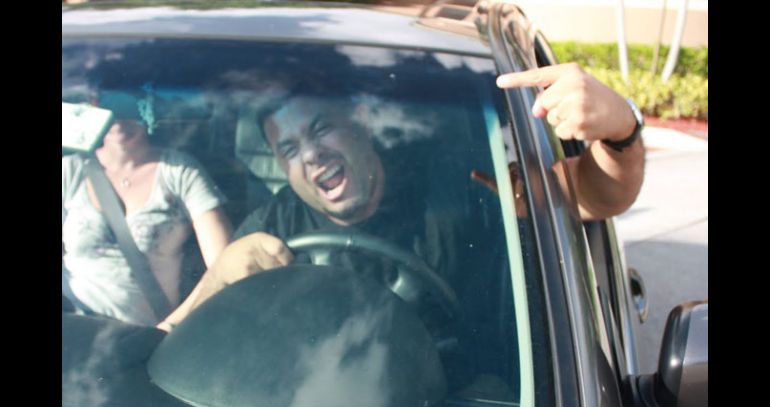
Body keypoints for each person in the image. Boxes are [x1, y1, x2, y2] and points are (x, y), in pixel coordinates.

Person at [157, 64, 645, 331]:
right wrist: (220, 277)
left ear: (361, 121)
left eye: (321, 128)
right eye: (289, 149)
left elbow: (596, 196)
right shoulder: (272, 224)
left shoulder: (459, 189)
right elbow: (174, 333)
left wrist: (621, 128)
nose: (310, 156)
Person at [63, 109, 233, 326]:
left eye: (129, 106)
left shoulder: (179, 171)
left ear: (150, 107)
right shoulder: (69, 171)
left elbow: (225, 264)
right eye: (109, 106)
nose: (119, 119)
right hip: (73, 331)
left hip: (144, 337)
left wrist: (172, 326)